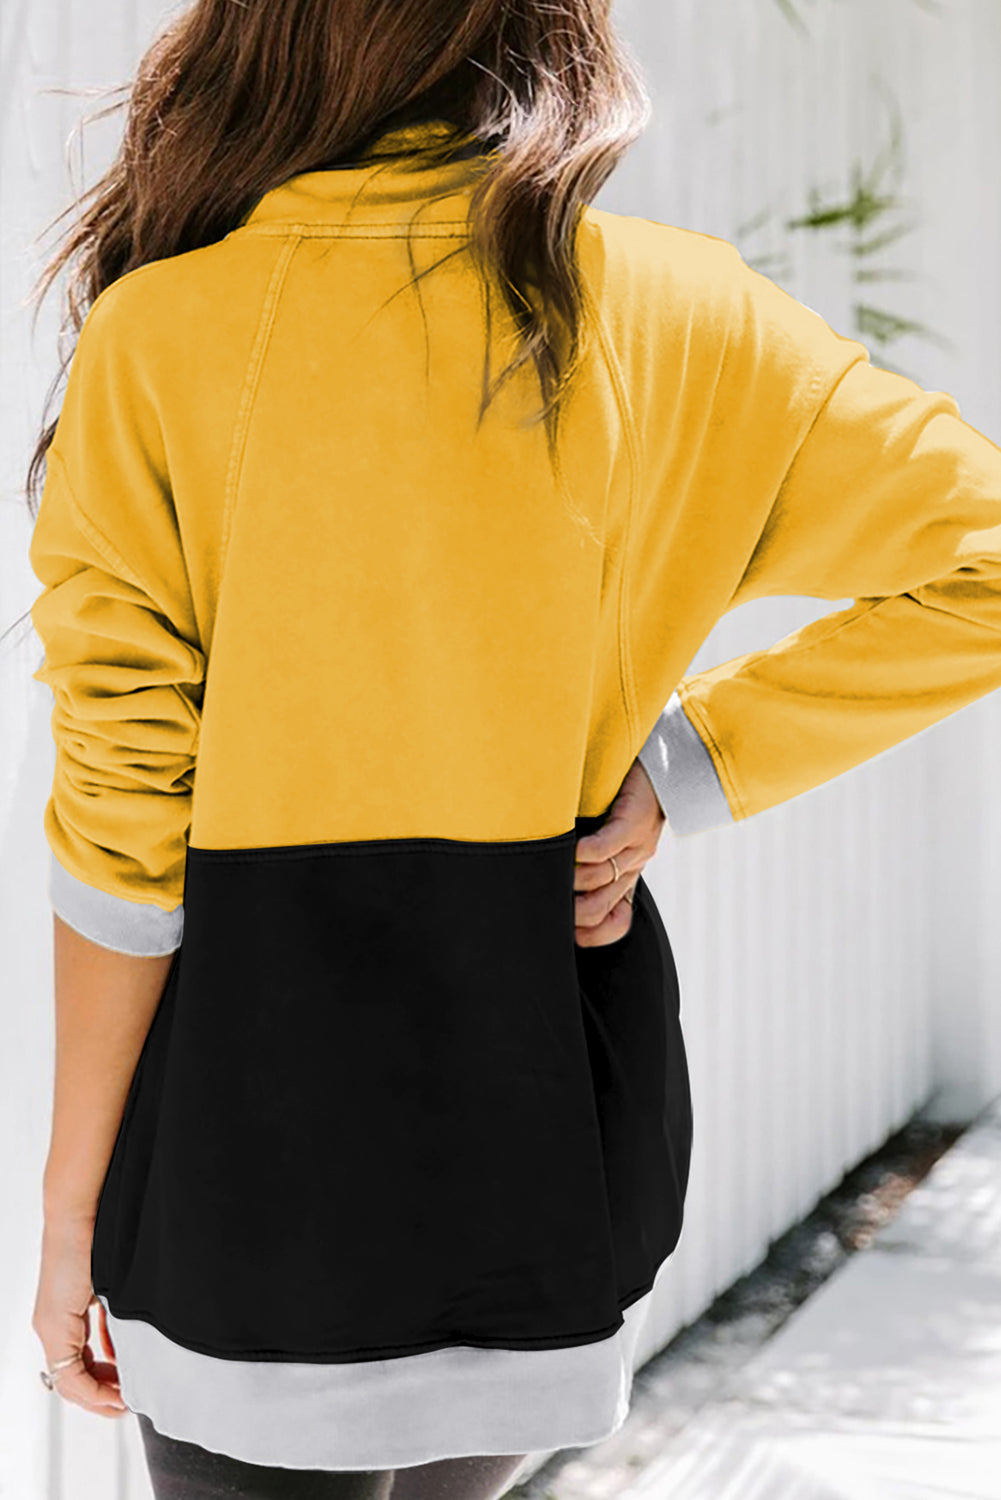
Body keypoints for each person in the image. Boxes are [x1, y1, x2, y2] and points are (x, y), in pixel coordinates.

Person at [23, 0, 1001, 1496]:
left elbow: (125, 828)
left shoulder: (168, 337)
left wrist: (70, 1207)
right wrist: (689, 767)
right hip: (545, 1087)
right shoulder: (684, 313)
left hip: (251, 1117)